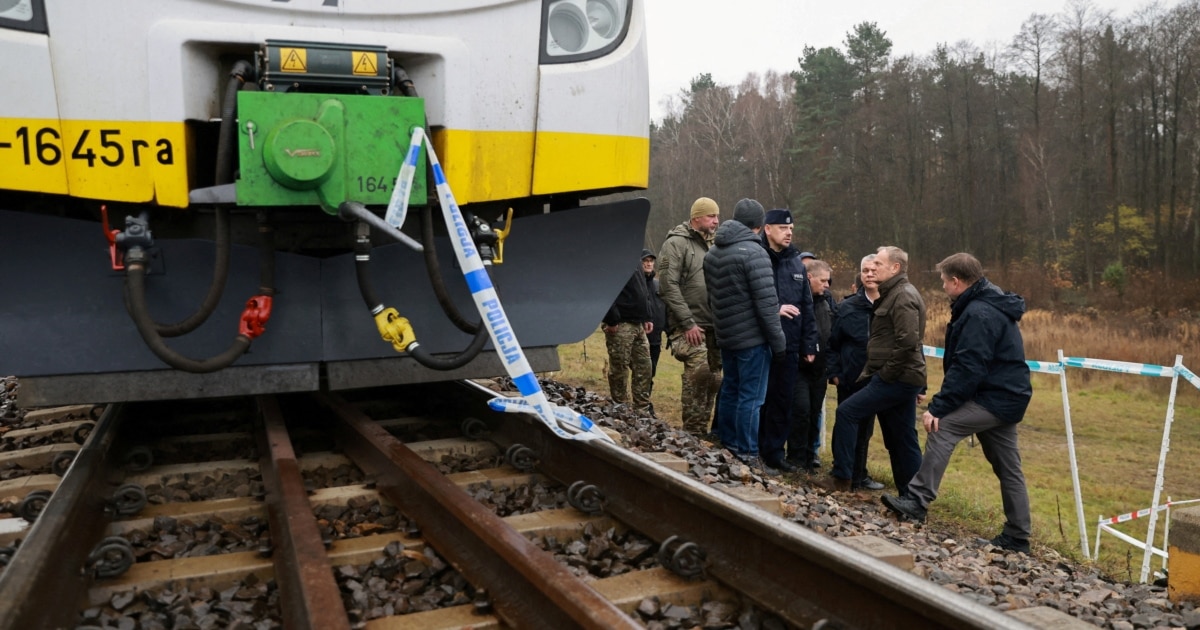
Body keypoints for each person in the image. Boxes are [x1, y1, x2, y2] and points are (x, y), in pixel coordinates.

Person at [882, 253, 1033, 554]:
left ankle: (916, 501)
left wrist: (938, 406)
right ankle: (1018, 536)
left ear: (956, 281)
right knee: (1009, 468)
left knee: (942, 426)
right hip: (1006, 395)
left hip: (996, 397)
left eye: (943, 281)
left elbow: (969, 367)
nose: (942, 287)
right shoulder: (987, 304)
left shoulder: (979, 313)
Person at [818, 246, 926, 493]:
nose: (872, 269)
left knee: (847, 412)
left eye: (878, 264)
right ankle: (910, 497)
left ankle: (842, 479)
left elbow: (909, 342)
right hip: (892, 376)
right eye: (869, 266)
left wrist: (885, 373)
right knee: (900, 437)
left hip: (895, 378)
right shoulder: (892, 294)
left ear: (895, 268)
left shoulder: (903, 296)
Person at [704, 199, 786, 471]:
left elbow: (712, 298)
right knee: (751, 398)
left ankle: (727, 443)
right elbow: (766, 304)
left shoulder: (713, 253)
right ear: (760, 226)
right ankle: (748, 453)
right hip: (752, 339)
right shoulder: (754, 253)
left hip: (726, 336)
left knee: (730, 390)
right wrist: (779, 342)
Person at [757, 209, 817, 473]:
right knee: (760, 399)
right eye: (783, 228)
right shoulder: (757, 257)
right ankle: (752, 449)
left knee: (783, 400)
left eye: (791, 228)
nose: (789, 232)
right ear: (767, 229)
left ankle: (774, 453)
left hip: (790, 344)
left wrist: (808, 344)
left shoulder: (796, 262)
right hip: (760, 341)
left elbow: (806, 305)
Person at [658, 197, 722, 435]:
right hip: (689, 325)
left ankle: (702, 432)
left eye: (717, 216)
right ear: (696, 218)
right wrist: (687, 323)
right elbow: (667, 285)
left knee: (714, 380)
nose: (716, 221)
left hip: (714, 325)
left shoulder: (716, 245)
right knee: (698, 374)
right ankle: (693, 433)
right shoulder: (676, 243)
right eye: (711, 216)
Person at [827, 256, 886, 490]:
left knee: (866, 431)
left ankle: (860, 475)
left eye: (874, 270)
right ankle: (842, 473)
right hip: (851, 377)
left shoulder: (892, 305)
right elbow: (833, 343)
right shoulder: (846, 307)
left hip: (880, 379)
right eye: (865, 270)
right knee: (846, 426)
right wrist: (834, 372)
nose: (869, 274)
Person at [789, 258, 833, 471]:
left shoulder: (826, 302)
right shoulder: (796, 300)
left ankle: (809, 456)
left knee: (815, 412)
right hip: (799, 369)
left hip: (820, 370)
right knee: (801, 411)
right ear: (809, 278)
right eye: (823, 280)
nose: (827, 285)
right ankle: (795, 457)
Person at [601, 258, 654, 415]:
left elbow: (643, 289)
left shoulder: (634, 256)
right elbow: (605, 288)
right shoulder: (612, 257)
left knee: (644, 366)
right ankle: (621, 409)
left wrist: (648, 316)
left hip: (638, 323)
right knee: (620, 367)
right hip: (620, 322)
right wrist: (612, 318)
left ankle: (642, 410)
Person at [642, 248, 668, 393]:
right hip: (637, 336)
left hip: (655, 338)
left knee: (651, 371)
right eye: (645, 261)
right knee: (639, 372)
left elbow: (666, 309)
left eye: (651, 261)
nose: (648, 264)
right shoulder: (634, 284)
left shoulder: (658, 285)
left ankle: (646, 400)